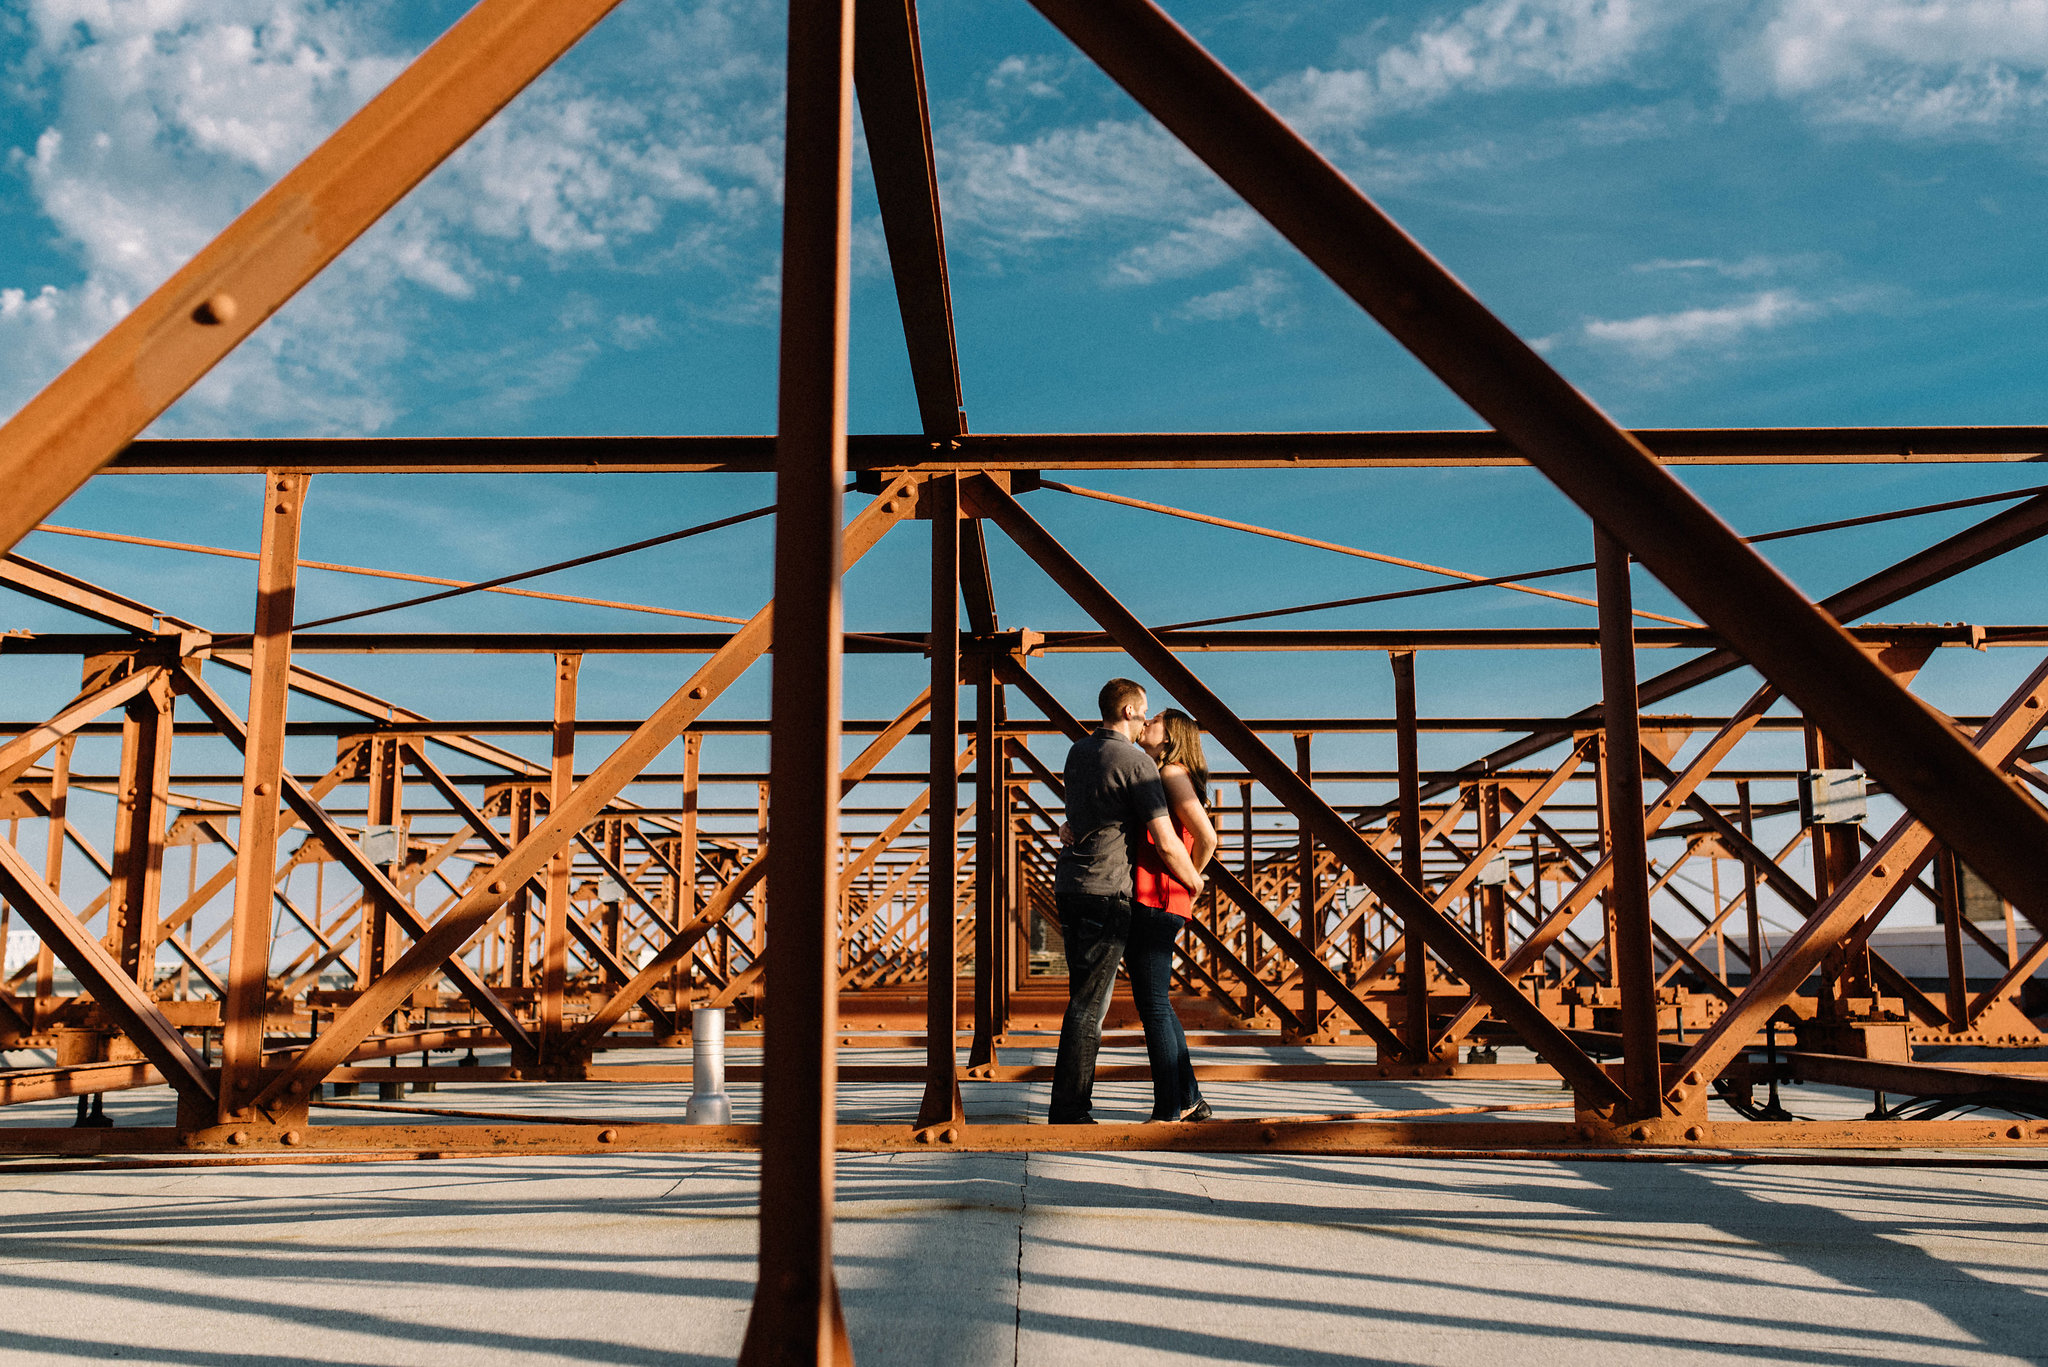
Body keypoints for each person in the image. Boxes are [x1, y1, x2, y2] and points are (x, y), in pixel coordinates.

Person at [1047, 678, 1206, 1125]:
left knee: (1096, 996)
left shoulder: (1077, 752)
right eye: (1146, 714)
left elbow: (1079, 816)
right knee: (1091, 1006)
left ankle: (1186, 1097)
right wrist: (1194, 881)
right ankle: (1070, 1110)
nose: (1147, 722)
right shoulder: (1137, 763)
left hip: (1070, 885)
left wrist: (1067, 830)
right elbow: (1166, 839)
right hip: (1106, 890)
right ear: (1131, 711)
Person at [1129, 709, 1219, 1122]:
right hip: (1159, 900)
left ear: (1172, 735)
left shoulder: (1171, 772)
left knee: (1153, 1006)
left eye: (1158, 719)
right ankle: (1189, 1098)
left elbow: (1207, 837)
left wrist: (1189, 878)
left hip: (1157, 899)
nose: (1147, 722)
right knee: (1158, 1003)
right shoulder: (1164, 773)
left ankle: (1169, 1109)